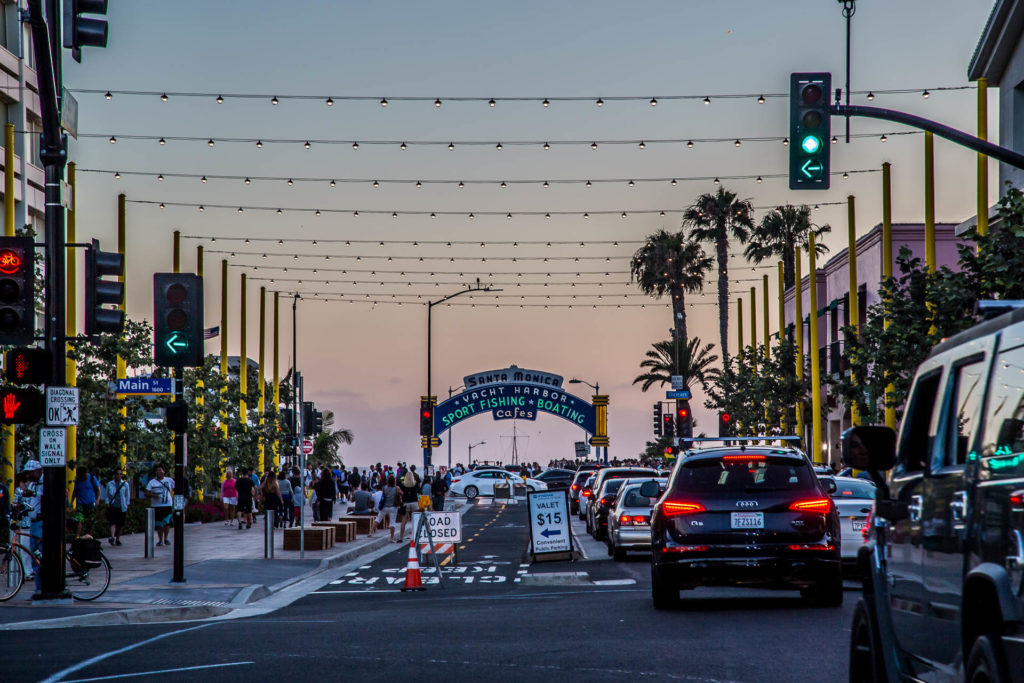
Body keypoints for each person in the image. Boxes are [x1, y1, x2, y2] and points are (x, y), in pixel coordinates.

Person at [145, 465, 174, 546]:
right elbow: (147, 493)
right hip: (156, 506)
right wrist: (154, 496)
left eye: (161, 470)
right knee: (159, 524)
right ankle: (160, 540)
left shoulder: (169, 480)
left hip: (167, 505)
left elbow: (176, 489)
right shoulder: (152, 482)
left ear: (164, 471)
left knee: (167, 522)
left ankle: (166, 539)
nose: (159, 472)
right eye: (158, 471)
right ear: (156, 472)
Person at [72, 467, 101, 536]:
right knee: (79, 520)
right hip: (80, 504)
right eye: (82, 476)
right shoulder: (78, 479)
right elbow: (75, 491)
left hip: (90, 503)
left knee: (91, 521)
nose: (83, 477)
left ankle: (88, 536)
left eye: (85, 475)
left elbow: (98, 490)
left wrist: (97, 500)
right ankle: (77, 536)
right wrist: (71, 502)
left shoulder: (92, 478)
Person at [105, 470, 130, 546]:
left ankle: (118, 539)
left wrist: (127, 504)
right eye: (117, 474)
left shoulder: (125, 484)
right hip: (113, 505)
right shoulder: (110, 484)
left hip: (122, 506)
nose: (118, 475)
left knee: (121, 524)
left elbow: (127, 495)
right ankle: (112, 537)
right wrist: (107, 503)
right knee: (113, 522)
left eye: (120, 474)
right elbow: (107, 495)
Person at [397, 467, 421, 543]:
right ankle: (416, 535)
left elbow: (400, 492)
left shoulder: (403, 485)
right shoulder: (415, 484)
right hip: (414, 502)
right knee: (416, 519)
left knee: (404, 520)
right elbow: (419, 491)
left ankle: (401, 537)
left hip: (406, 503)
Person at [375, 475, 401, 542]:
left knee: (378, 519)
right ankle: (392, 538)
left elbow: (383, 496)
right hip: (393, 507)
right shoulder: (397, 488)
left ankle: (371, 532)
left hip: (385, 506)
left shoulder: (384, 488)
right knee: (392, 522)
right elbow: (401, 494)